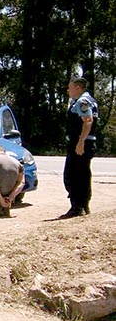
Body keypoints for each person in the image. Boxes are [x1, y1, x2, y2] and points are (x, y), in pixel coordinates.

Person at [60, 77, 99, 219]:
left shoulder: (82, 101)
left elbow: (88, 121)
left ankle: (77, 206)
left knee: (72, 175)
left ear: (78, 87)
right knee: (82, 174)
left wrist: (80, 141)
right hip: (85, 142)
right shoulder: (90, 100)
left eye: (70, 87)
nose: (68, 90)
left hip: (81, 143)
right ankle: (83, 206)